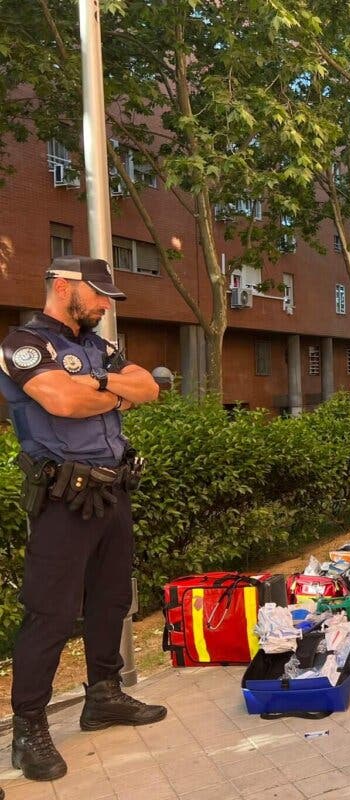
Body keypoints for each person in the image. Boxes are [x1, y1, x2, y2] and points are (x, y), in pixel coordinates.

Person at [0, 257, 165, 782]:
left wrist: (96, 384)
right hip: (62, 498)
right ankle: (28, 730)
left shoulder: (96, 345)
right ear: (64, 286)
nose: (104, 306)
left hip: (113, 490)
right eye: (98, 296)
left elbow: (149, 387)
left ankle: (104, 695)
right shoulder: (23, 344)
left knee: (112, 599)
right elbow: (61, 401)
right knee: (50, 613)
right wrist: (109, 389)